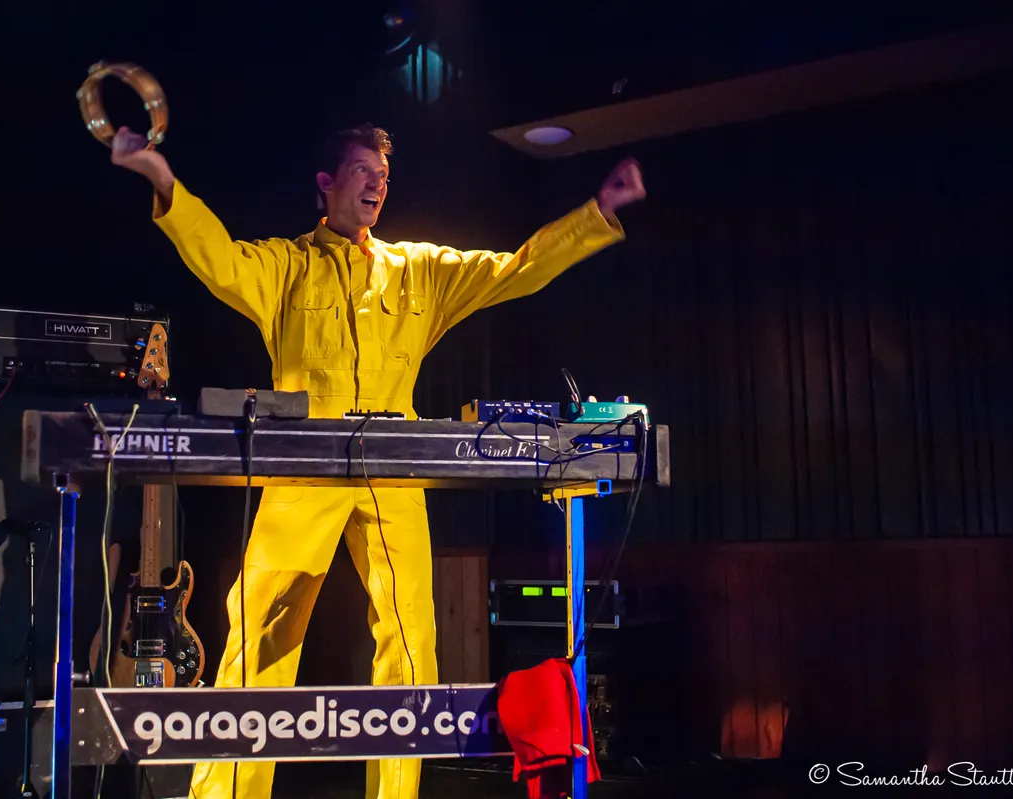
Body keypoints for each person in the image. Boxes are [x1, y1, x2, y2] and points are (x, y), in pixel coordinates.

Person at [108, 122, 645, 799]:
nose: (377, 184)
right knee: (259, 630)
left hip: (393, 466)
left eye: (384, 175)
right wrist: (162, 178)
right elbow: (217, 258)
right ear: (326, 183)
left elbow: (516, 269)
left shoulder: (417, 270)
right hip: (303, 465)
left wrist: (597, 213)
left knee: (411, 639)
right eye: (363, 170)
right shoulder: (286, 266)